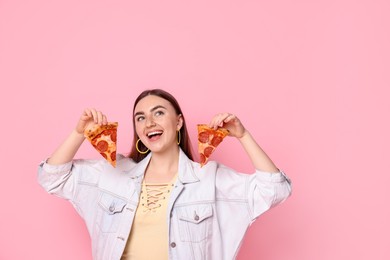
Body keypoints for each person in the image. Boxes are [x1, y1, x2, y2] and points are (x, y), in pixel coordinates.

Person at [38, 88, 292, 260]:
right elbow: (52, 176)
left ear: (179, 122)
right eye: (140, 117)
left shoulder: (208, 179)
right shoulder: (112, 173)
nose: (148, 123)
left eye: (158, 112)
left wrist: (243, 136)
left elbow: (275, 190)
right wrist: (79, 132)